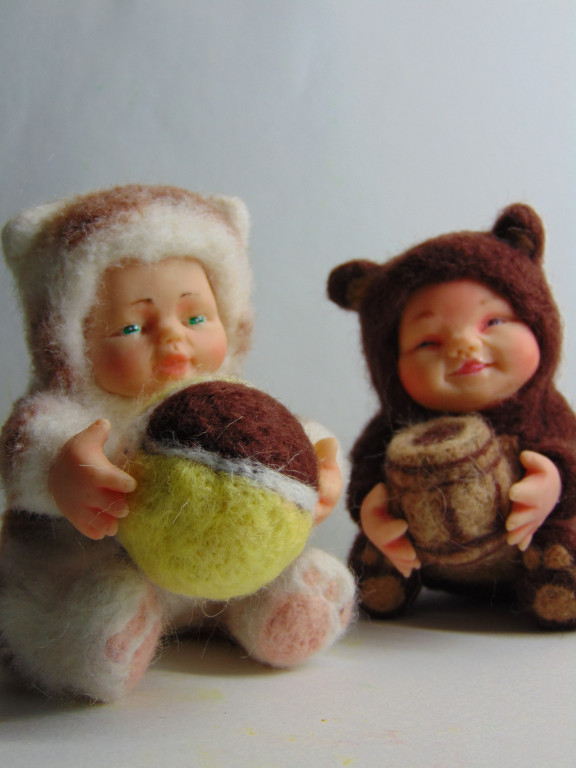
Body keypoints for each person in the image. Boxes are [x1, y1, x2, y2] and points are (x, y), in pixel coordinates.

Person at [0, 184, 355, 702]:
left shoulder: (229, 398)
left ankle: (276, 607)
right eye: (131, 326)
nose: (173, 338)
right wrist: (63, 473)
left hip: (214, 571)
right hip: (95, 566)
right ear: (69, 343)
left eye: (195, 318)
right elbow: (26, 445)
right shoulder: (72, 413)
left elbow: (286, 434)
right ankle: (96, 636)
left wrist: (319, 462)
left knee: (260, 569)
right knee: (82, 597)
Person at [328, 203, 576, 627]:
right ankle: (384, 570)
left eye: (493, 321)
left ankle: (555, 574)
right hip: (425, 556)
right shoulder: (397, 427)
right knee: (379, 539)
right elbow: (368, 469)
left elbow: (568, 451)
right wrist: (373, 509)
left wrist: (555, 482)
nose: (464, 345)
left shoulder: (544, 412)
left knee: (562, 534)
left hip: (525, 545)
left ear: (539, 325)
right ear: (390, 364)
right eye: (428, 342)